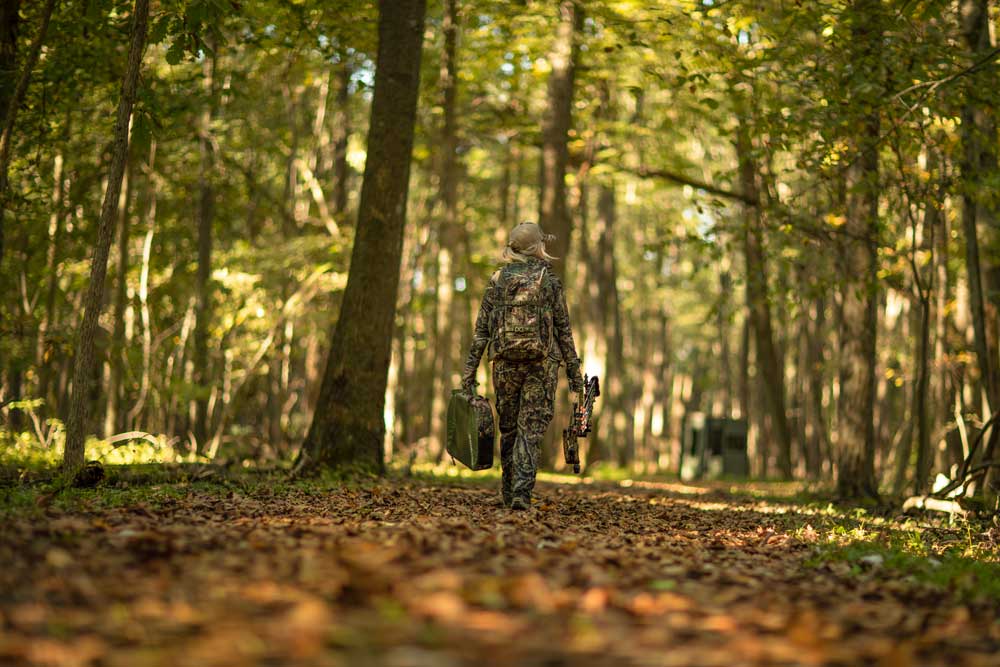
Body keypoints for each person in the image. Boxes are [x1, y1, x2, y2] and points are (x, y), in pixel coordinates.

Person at [461, 221, 584, 510]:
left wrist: (468, 373)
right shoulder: (550, 280)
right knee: (530, 430)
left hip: (504, 365)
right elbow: (563, 331)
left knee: (509, 429)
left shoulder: (497, 280)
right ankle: (521, 494)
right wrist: (575, 375)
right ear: (537, 247)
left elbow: (481, 332)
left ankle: (508, 491)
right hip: (542, 366)